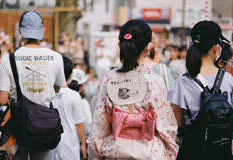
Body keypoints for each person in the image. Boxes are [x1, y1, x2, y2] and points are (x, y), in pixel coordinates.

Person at [87, 20, 178, 159]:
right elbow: (167, 127)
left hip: (115, 152)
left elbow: (98, 124)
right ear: (149, 47)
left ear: (119, 45)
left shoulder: (107, 80)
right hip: (150, 153)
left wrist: (95, 155)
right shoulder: (155, 81)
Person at [0, 11, 66, 160]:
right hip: (46, 127)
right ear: (43, 30)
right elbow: (57, 88)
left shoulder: (8, 59)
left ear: (19, 30)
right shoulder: (57, 57)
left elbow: (2, 100)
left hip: (19, 127)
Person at [168, 21, 233, 160]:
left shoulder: (183, 81)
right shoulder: (228, 79)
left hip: (193, 147)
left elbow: (178, 120)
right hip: (222, 147)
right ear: (216, 48)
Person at [53, 57, 87, 160]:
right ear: (70, 76)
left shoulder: (48, 93)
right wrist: (83, 144)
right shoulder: (74, 96)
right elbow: (79, 124)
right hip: (69, 147)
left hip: (50, 145)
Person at [68, 69, 92, 160]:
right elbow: (87, 125)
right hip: (78, 143)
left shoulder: (60, 96)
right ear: (82, 86)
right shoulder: (83, 102)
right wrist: (83, 143)